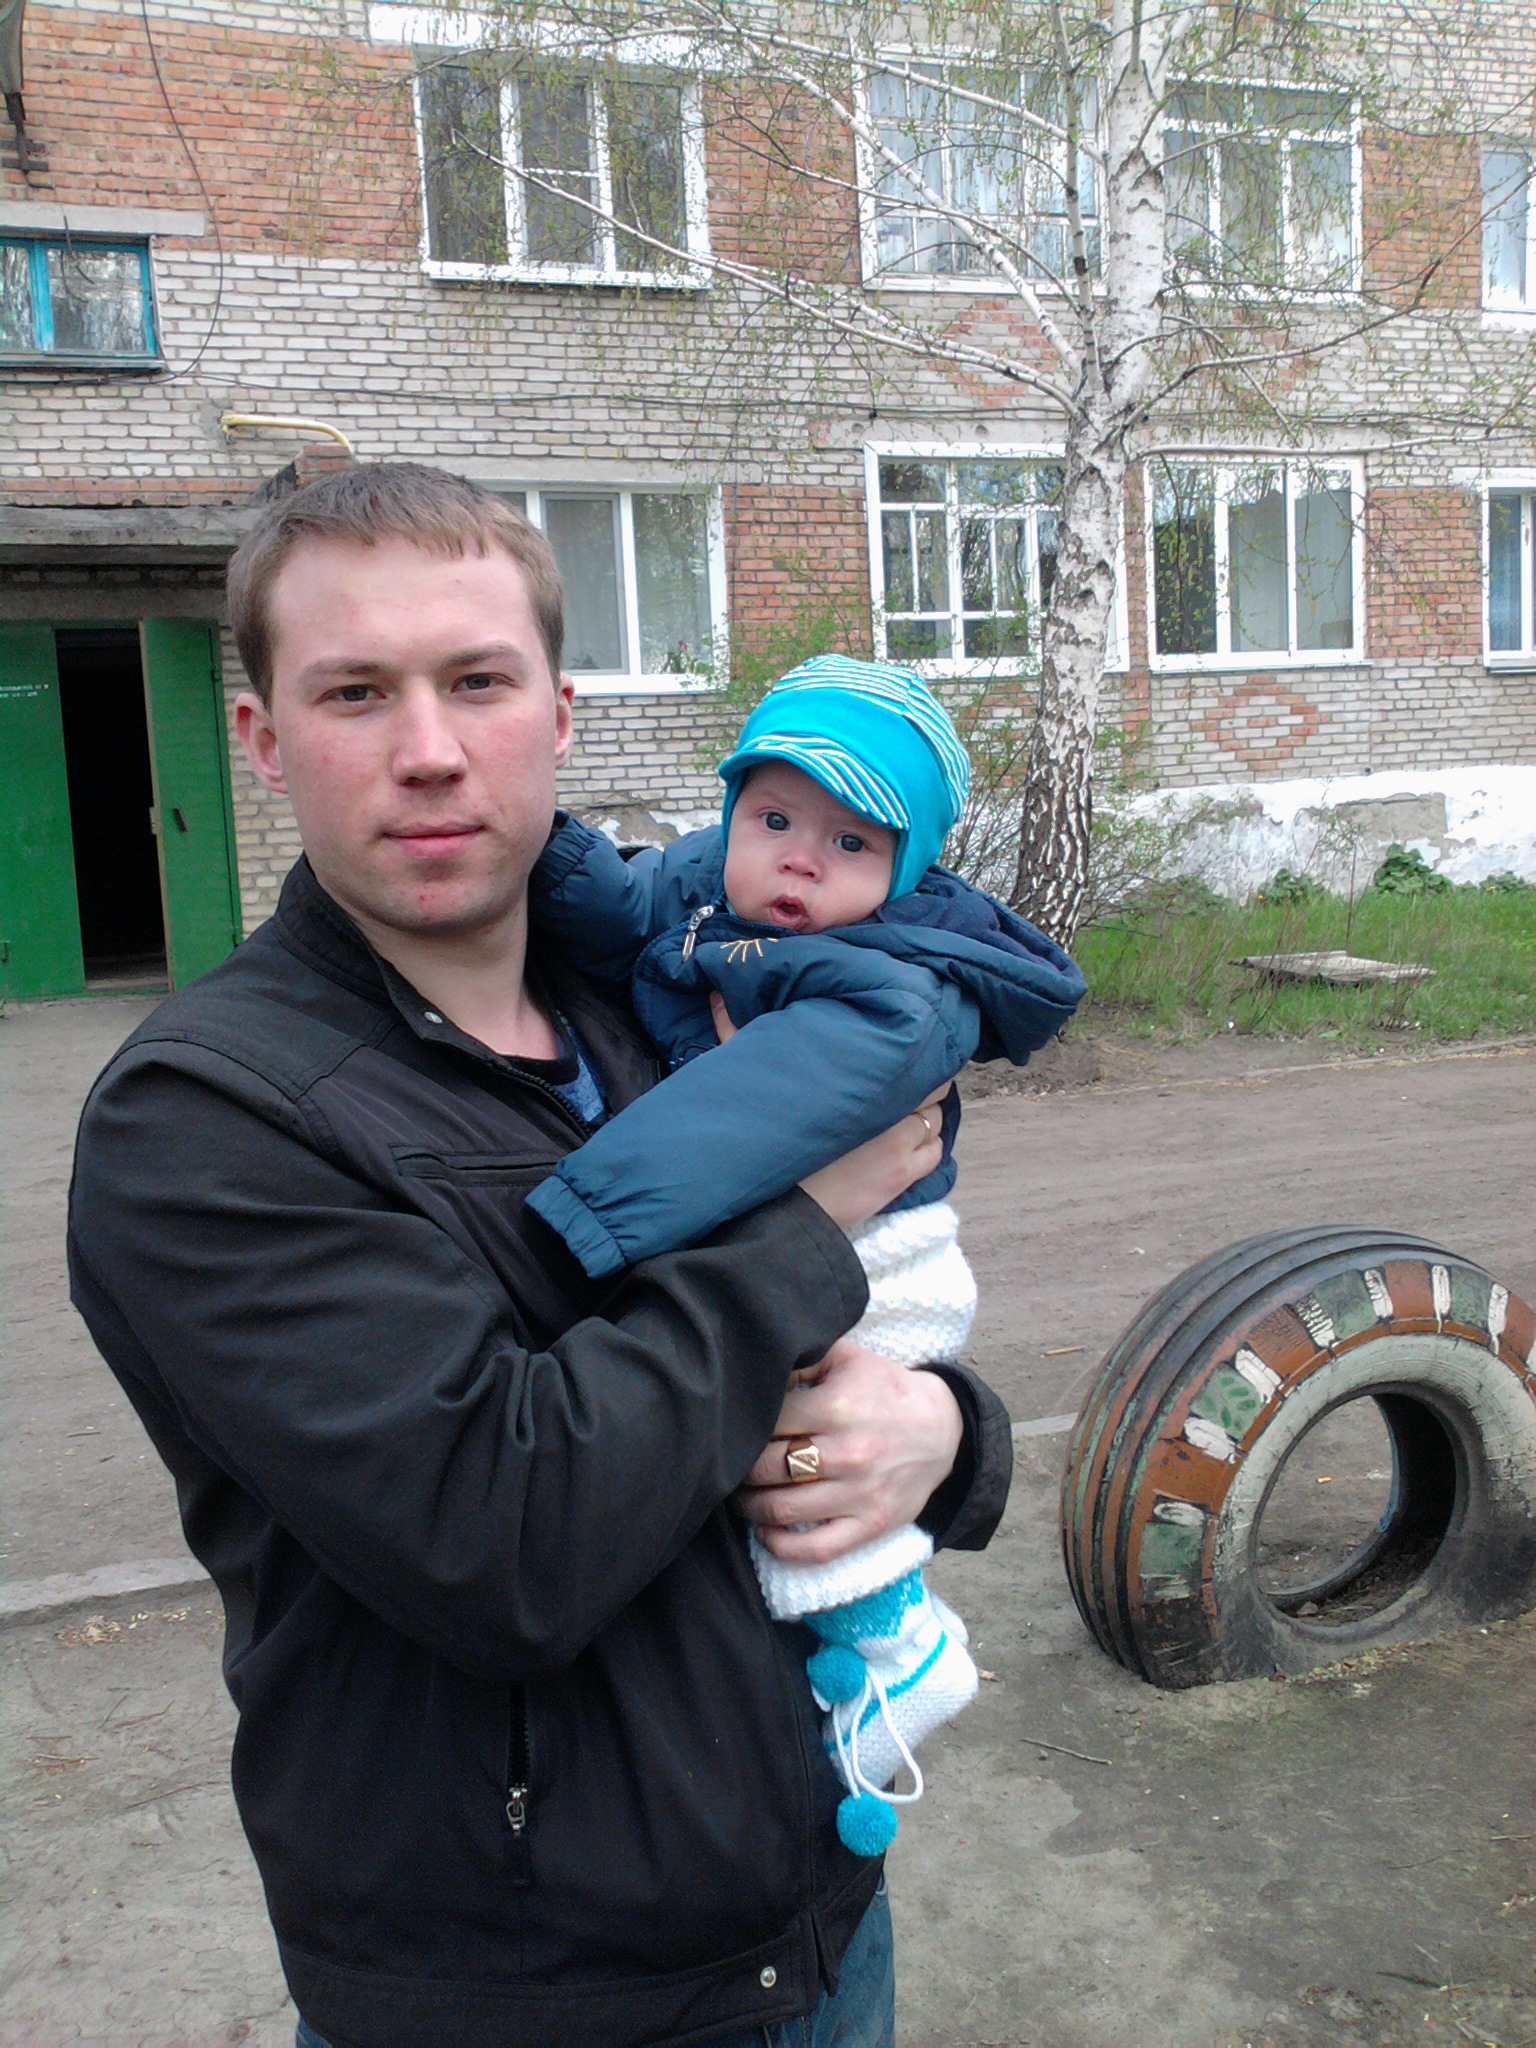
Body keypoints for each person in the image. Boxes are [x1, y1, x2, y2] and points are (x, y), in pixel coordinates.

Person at [66, 463, 1015, 2048]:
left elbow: (808, 1370)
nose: (429, 750)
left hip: (814, 1924)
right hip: (523, 1996)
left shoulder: (660, 1006)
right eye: (356, 691)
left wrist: (946, 1435)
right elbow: (503, 1539)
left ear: (559, 716)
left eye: (477, 681)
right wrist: (806, 1224)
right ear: (264, 738)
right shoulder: (203, 1119)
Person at [518, 655, 1085, 1855]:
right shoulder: (709, 887)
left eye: (849, 841)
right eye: (773, 819)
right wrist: (547, 853)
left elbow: (740, 1116)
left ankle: (897, 1647)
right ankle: (856, 1655)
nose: (799, 860)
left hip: (883, 1252)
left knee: (807, 1461)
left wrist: (587, 1219)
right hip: (792, 1236)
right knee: (778, 1442)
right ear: (734, 810)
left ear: (904, 869)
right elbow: (625, 902)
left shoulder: (897, 987)